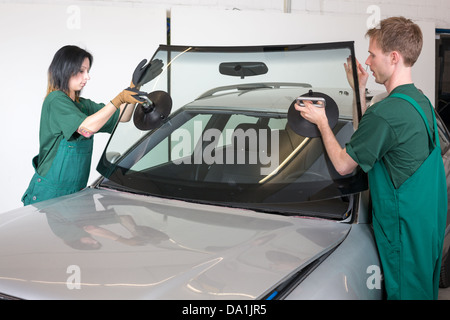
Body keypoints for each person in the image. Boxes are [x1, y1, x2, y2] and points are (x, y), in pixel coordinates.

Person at [296, 17, 447, 300]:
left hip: (403, 235)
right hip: (425, 228)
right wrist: (358, 91)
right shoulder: (420, 101)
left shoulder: (387, 113)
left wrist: (322, 123)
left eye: (372, 54)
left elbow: (343, 164)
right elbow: (371, 139)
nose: (367, 60)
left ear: (393, 57)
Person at [22, 45, 158, 206]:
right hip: (48, 195)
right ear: (64, 69)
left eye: (87, 71)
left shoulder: (83, 106)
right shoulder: (55, 100)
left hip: (74, 195)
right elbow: (87, 128)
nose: (87, 77)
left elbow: (123, 116)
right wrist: (120, 98)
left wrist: (135, 86)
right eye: (81, 71)